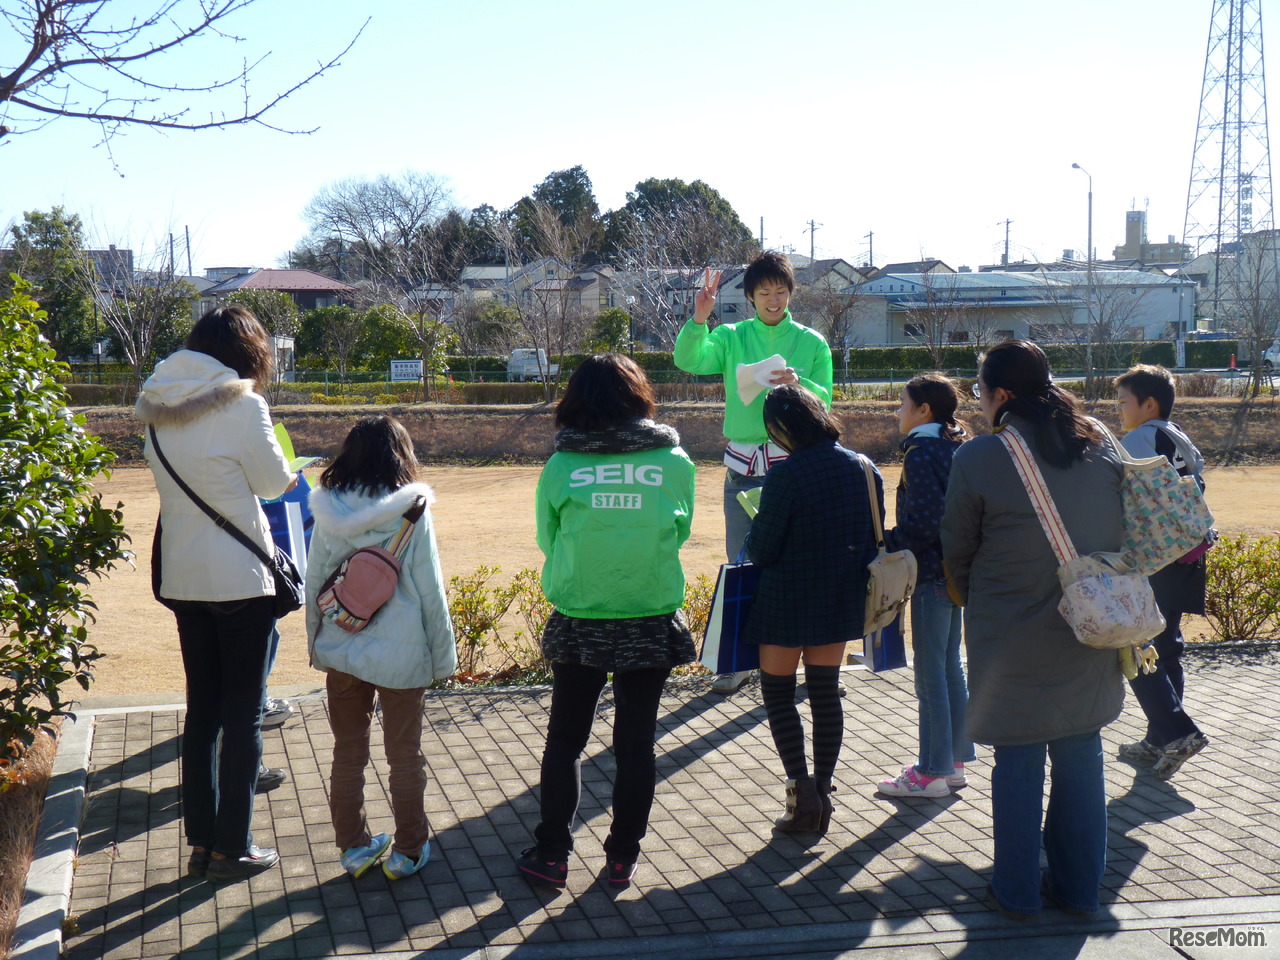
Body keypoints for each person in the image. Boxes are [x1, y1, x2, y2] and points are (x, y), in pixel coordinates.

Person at [942, 340, 1126, 919]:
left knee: (1017, 760)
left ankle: (1016, 893)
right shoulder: (1100, 444)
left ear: (1001, 396)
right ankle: (1079, 892)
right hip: (1092, 622)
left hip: (1009, 632)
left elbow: (957, 550)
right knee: (1081, 753)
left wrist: (979, 596)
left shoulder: (978, 458)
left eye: (980, 390)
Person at [515, 355, 696, 889]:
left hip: (581, 612)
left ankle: (551, 856)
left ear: (575, 400)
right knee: (636, 743)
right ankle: (621, 858)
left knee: (565, 740)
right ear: (637, 395)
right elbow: (679, 533)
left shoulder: (562, 465)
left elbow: (547, 537)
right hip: (650, 610)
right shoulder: (675, 462)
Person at [136, 304, 297, 881]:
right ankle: (236, 845)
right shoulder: (244, 404)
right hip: (239, 580)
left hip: (183, 576)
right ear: (246, 352)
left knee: (202, 712)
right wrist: (294, 464)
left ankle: (202, 843)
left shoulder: (156, 406)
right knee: (244, 715)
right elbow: (274, 484)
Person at [674, 250, 834, 695]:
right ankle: (738, 661)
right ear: (750, 296)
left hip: (795, 464)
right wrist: (699, 319)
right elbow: (689, 360)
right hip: (743, 465)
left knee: (799, 564)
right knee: (741, 562)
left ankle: (798, 664)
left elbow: (828, 400)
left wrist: (799, 384)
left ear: (791, 293)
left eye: (781, 291)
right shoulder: (730, 336)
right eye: (764, 292)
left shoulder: (812, 342)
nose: (773, 299)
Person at [305, 415, 456, 881]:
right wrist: (443, 655)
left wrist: (317, 641)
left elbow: (317, 579)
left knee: (348, 752)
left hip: (343, 646)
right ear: (401, 454)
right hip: (403, 652)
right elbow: (429, 588)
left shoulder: (329, 507)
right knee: (404, 755)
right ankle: (408, 851)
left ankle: (353, 848)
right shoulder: (413, 509)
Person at [744, 384, 881, 835]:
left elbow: (762, 549)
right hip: (839, 596)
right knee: (825, 695)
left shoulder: (787, 473)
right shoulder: (865, 468)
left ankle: (801, 796)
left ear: (782, 426)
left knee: (779, 696)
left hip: (787, 598)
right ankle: (823, 791)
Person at [877, 374, 976, 798]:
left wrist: (885, 543)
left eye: (903, 403)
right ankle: (952, 762)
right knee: (950, 666)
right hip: (958, 573)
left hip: (933, 574)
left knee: (931, 673)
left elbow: (923, 524)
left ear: (924, 410)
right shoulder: (957, 446)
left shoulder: (921, 452)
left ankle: (931, 771)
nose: (897, 410)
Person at [1114, 364, 1210, 780]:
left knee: (1141, 645)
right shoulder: (1178, 435)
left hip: (1157, 557)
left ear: (1147, 403)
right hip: (1191, 550)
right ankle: (1159, 738)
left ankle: (1174, 733)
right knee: (1168, 644)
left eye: (1123, 402)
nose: (1119, 411)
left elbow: (1121, 493)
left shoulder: (1138, 439)